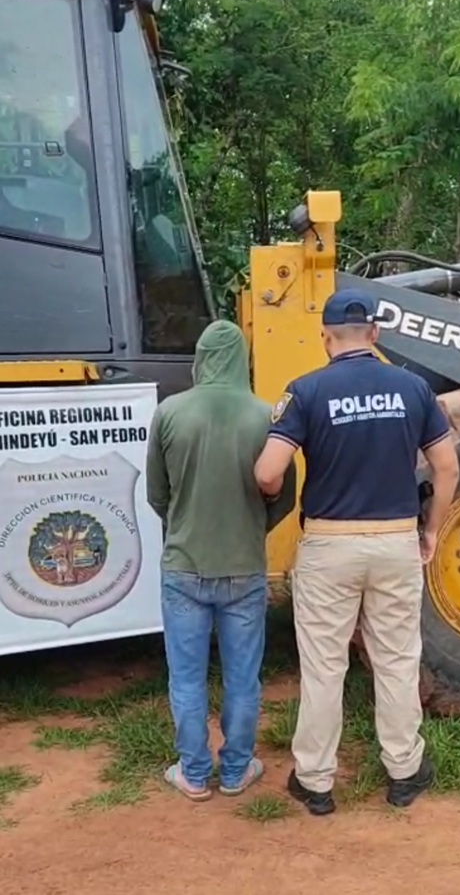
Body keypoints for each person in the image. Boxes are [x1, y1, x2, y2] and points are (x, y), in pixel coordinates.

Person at [254, 288, 460, 817]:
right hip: (394, 542)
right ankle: (404, 772)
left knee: (324, 668)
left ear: (326, 337)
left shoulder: (306, 391)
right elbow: (447, 468)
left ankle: (316, 781)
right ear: (375, 334)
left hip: (329, 545)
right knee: (395, 660)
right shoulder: (413, 389)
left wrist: (273, 497)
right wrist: (431, 531)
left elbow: (267, 471)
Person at [146, 319, 296, 802]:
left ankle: (193, 773)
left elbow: (157, 495)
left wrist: (185, 524)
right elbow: (285, 498)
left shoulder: (169, 412)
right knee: (243, 677)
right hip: (244, 569)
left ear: (200, 358)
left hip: (184, 566)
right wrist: (253, 529)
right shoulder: (265, 416)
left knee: (186, 678)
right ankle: (235, 771)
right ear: (241, 359)